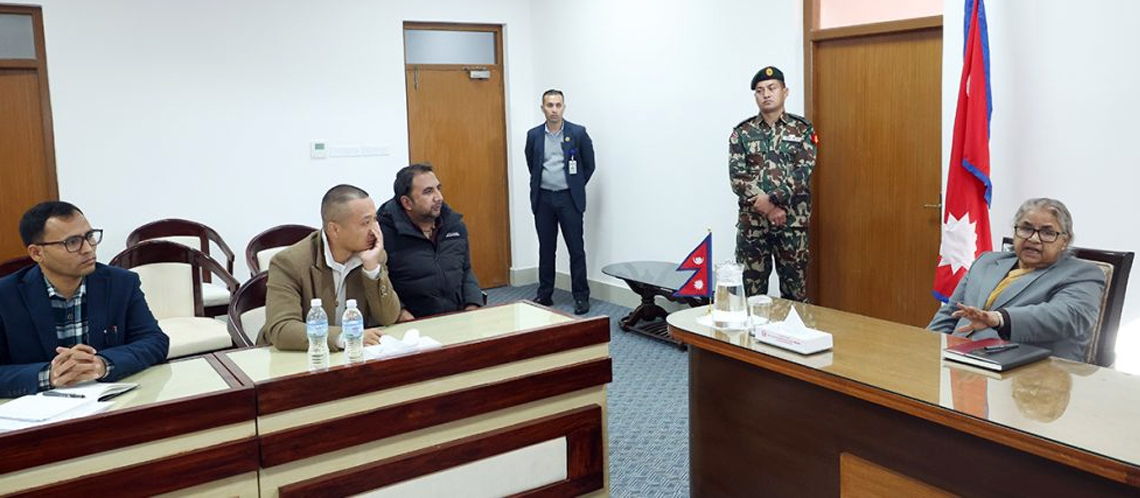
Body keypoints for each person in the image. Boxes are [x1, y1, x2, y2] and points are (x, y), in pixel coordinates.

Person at [0, 201, 169, 397]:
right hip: (36, 407)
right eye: (72, 242)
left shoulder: (121, 283)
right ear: (37, 253)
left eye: (90, 236)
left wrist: (102, 363)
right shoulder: (5, 296)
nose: (88, 249)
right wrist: (49, 375)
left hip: (110, 401)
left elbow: (155, 341)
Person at [928, 198, 1105, 362]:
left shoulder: (1082, 273)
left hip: (1029, 372)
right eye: (1026, 229)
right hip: (956, 361)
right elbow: (950, 313)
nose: (1033, 239)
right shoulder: (986, 261)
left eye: (1047, 232)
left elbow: (1067, 316)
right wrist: (926, 348)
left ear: (1065, 241)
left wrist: (1000, 319)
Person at [262, 184, 401, 351]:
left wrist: (372, 270)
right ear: (334, 229)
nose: (375, 230)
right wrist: (346, 336)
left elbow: (388, 317)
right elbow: (282, 328)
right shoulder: (289, 262)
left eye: (375, 219)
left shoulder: (373, 255)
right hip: (297, 356)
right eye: (365, 223)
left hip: (352, 356)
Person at [729, 66, 817, 302]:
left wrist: (774, 200)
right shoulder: (742, 132)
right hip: (753, 226)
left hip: (792, 223)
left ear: (785, 92)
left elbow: (803, 171)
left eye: (772, 88)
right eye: (760, 90)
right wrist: (768, 208)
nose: (766, 94)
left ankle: (793, 328)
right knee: (750, 296)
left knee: (795, 294)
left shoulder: (802, 129)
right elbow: (738, 177)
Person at [378, 164, 481, 321]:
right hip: (411, 322)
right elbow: (380, 284)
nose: (439, 197)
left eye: (438, 188)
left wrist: (473, 304)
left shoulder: (454, 225)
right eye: (428, 192)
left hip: (456, 316)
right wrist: (400, 313)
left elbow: (465, 270)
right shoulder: (384, 233)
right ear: (407, 203)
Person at [525, 89, 596, 315]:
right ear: (542, 108)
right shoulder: (534, 135)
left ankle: (581, 296)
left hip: (569, 199)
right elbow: (532, 164)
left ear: (564, 107)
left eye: (558, 105)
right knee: (546, 249)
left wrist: (575, 185)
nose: (554, 110)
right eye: (549, 105)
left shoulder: (578, 133)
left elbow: (589, 165)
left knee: (576, 249)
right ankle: (545, 294)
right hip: (544, 199)